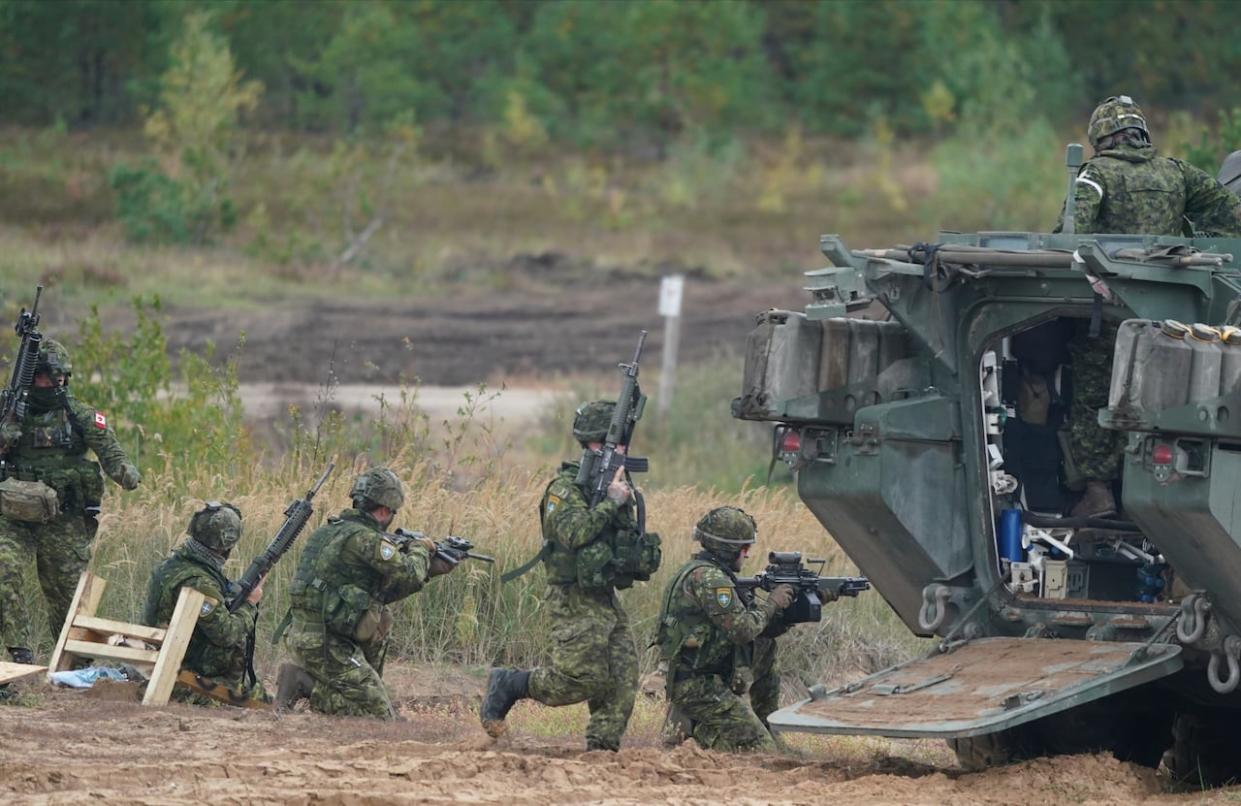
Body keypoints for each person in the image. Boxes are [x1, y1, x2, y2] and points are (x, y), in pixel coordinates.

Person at [1058, 96, 1241, 517]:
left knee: (1094, 395)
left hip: (1109, 313)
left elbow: (1070, 232)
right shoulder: (1175, 172)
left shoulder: (1095, 173)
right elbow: (1230, 214)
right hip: (1171, 316)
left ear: (1100, 138)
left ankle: (1098, 490)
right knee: (1151, 400)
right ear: (1141, 133)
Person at [480, 400, 661, 751]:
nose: (625, 450)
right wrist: (610, 502)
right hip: (572, 598)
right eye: (618, 443)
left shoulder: (616, 486)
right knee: (579, 680)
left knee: (623, 678)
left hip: (603, 597)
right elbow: (575, 533)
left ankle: (602, 749)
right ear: (597, 445)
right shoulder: (564, 490)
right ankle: (511, 684)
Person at [0, 339, 140, 664]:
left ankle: (76, 665)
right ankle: (19, 656)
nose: (56, 383)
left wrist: (125, 471)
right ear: (33, 377)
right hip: (12, 516)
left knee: (68, 595)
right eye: (49, 377)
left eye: (62, 377)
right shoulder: (6, 411)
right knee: (4, 572)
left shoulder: (78, 414)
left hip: (62, 519)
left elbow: (110, 449)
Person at [275, 466, 454, 718]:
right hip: (328, 644)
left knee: (379, 616)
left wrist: (432, 570)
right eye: (393, 512)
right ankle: (303, 684)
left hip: (307, 635)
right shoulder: (366, 539)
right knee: (378, 716)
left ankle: (326, 682)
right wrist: (421, 549)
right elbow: (410, 573)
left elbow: (380, 593)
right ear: (383, 510)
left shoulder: (328, 531)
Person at [655, 506, 796, 752]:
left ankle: (761, 727)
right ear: (729, 549)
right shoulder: (711, 580)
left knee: (765, 647)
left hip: (698, 678)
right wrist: (773, 602)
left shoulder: (699, 572)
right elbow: (742, 630)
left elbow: (758, 630)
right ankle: (697, 731)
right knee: (761, 750)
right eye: (745, 548)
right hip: (699, 686)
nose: (748, 555)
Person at [141, 502, 267, 704]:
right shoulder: (200, 582)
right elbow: (227, 634)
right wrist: (250, 604)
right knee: (261, 702)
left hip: (161, 660)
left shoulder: (171, 566)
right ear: (226, 545)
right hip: (186, 675)